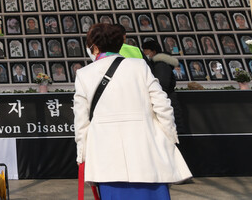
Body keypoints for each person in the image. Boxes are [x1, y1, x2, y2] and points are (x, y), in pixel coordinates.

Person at [74, 23, 191, 198]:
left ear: (95, 47)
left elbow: (81, 121)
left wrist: (82, 155)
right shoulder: (139, 66)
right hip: (147, 153)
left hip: (106, 156)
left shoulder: (84, 74)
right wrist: (168, 137)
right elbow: (163, 106)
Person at [142, 41, 186, 134]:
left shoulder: (160, 64)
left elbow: (161, 85)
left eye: (146, 50)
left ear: (153, 52)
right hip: (169, 102)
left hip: (167, 103)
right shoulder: (159, 64)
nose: (144, 53)